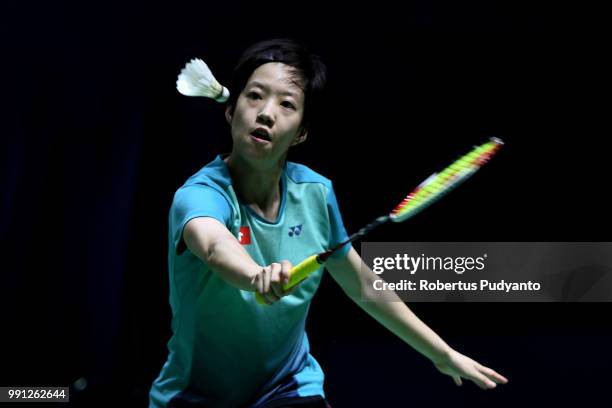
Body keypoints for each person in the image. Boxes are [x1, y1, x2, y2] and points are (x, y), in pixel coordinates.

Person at [149, 38, 508, 408]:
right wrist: (257, 275)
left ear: (302, 131)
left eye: (286, 104)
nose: (266, 113)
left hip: (287, 387)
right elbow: (212, 244)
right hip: (195, 395)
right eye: (254, 96)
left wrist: (441, 353)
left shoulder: (316, 195)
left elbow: (362, 283)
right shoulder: (199, 194)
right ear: (230, 110)